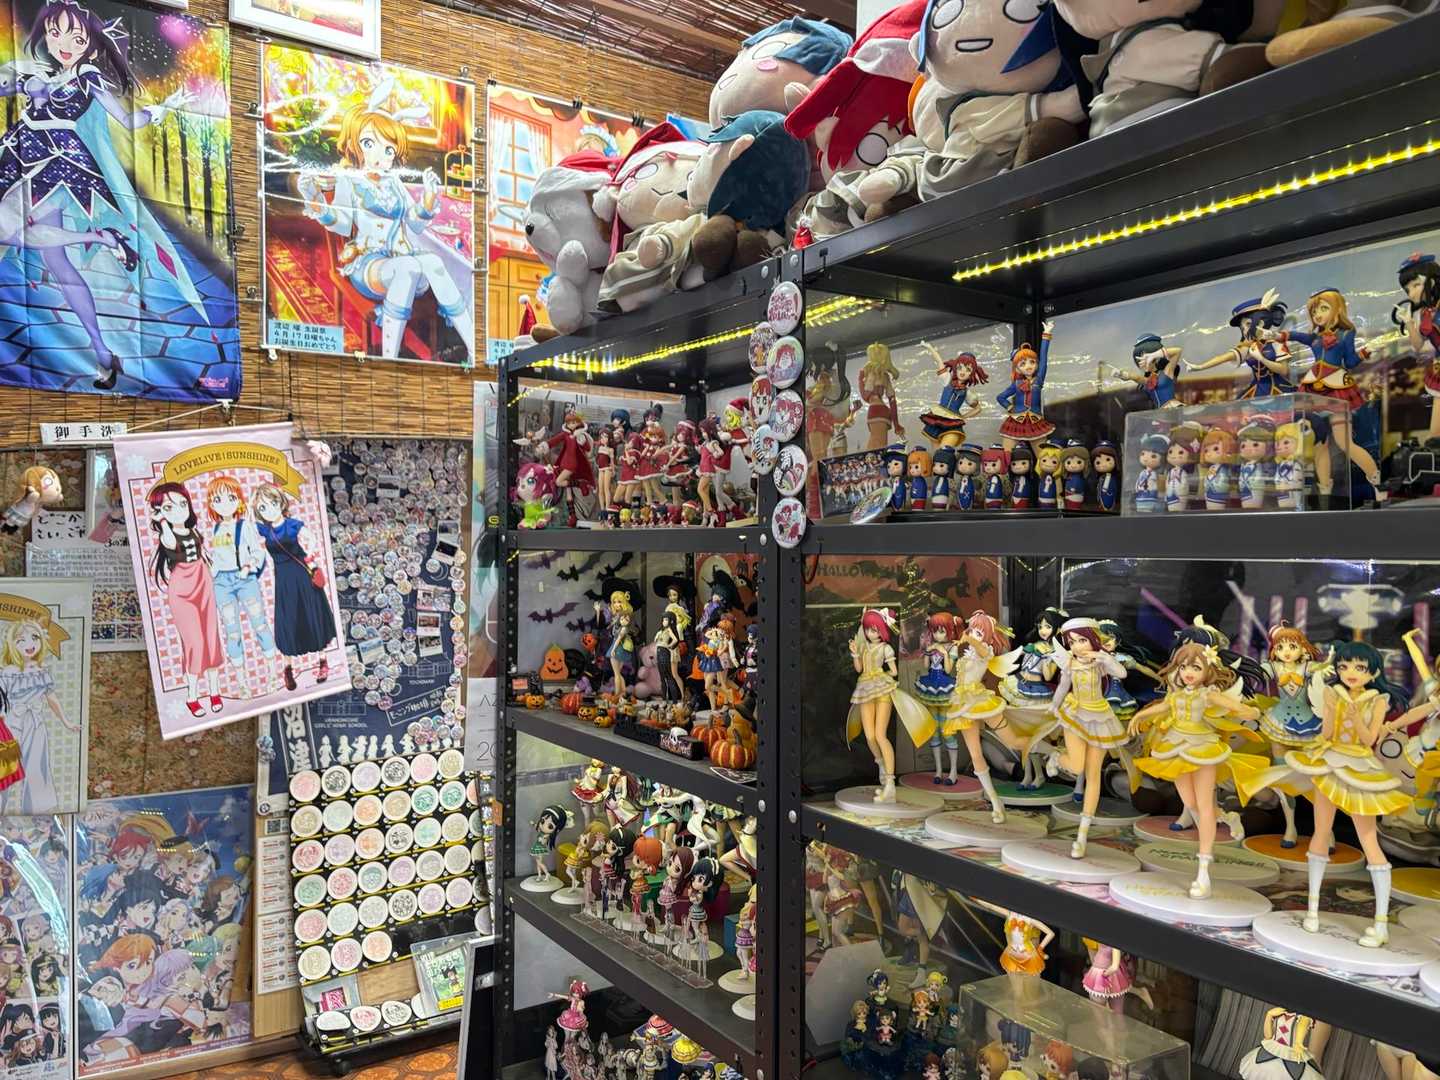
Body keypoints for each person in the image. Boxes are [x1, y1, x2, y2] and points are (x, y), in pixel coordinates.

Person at [0, 0, 202, 389]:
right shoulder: (45, 72)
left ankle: (100, 238)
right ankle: (104, 353)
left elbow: (126, 119)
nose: (64, 44)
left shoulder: (87, 74)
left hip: (56, 162)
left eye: (76, 38)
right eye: (56, 33)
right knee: (58, 265)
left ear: (90, 47)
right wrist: (24, 82)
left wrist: (161, 110)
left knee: (9, 232)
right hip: (21, 153)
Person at [298, 78, 474, 363]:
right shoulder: (350, 180)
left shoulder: (394, 182)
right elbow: (342, 224)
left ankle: (475, 349)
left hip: (401, 257)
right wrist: (316, 201)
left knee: (433, 261)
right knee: (408, 267)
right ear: (355, 144)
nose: (382, 156)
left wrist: (428, 200)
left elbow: (414, 224)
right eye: (370, 144)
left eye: (389, 150)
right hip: (368, 264)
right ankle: (389, 360)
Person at [147, 482, 224, 718]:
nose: (180, 510)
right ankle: (192, 696)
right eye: (169, 507)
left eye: (183, 504)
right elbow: (170, 542)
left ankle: (214, 691)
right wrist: (162, 521)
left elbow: (203, 554)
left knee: (211, 637)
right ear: (160, 512)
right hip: (182, 587)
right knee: (194, 643)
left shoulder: (194, 531)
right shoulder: (167, 535)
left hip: (203, 580)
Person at [252, 483, 338, 692]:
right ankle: (288, 668)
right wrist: (253, 500)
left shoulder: (292, 525)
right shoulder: (265, 529)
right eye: (262, 507)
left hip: (301, 574)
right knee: (288, 619)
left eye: (273, 503)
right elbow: (248, 523)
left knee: (311, 613)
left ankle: (323, 661)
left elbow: (312, 538)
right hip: (283, 580)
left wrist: (311, 554)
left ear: (281, 503)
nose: (269, 510)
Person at [204, 477, 277, 687]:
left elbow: (258, 552)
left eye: (231, 498)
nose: (225, 504)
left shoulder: (245, 526)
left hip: (244, 579)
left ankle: (273, 674)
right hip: (222, 582)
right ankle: (242, 682)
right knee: (232, 631)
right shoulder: (215, 529)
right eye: (217, 499)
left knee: (259, 624)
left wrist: (247, 567)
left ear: (238, 500)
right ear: (211, 504)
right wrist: (210, 573)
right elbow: (217, 558)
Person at [0, 617, 76, 813]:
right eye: (21, 640)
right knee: (4, 770)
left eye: (34, 638)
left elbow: (52, 698)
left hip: (35, 724)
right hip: (10, 724)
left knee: (37, 767)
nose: (29, 644)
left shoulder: (41, 672)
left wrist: (66, 722)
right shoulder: (8, 672)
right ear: (12, 644)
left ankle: (38, 810)